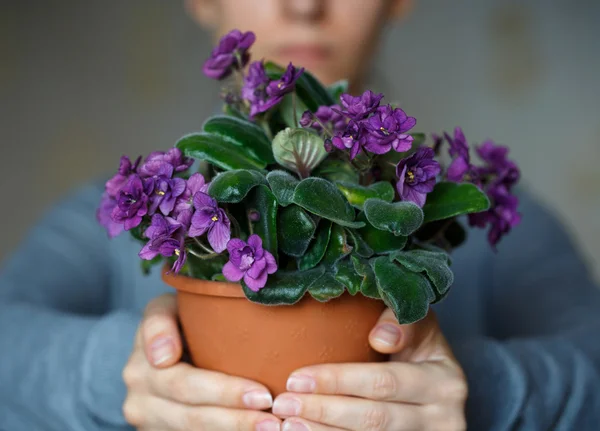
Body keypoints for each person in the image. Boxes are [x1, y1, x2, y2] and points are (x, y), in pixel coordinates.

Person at [1, 0, 599, 430]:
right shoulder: (93, 219)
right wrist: (128, 374)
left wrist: (476, 391)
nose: (304, 5)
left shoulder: (508, 230)